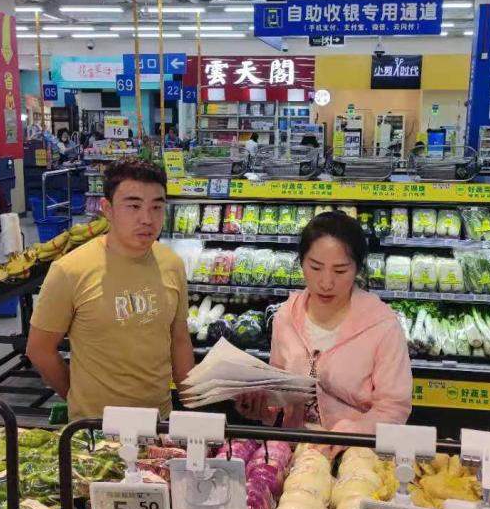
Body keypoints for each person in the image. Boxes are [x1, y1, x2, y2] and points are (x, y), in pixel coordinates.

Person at [26, 158, 194, 419]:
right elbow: (39, 349)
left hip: (159, 421)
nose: (147, 219)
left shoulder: (172, 264)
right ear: (108, 209)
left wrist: (193, 407)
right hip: (95, 428)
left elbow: (179, 339)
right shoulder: (70, 270)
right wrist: (77, 398)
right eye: (133, 206)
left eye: (156, 207)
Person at [234, 211, 412, 434]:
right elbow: (278, 390)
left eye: (340, 270)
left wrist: (347, 434)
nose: (326, 282)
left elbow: (393, 408)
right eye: (315, 267)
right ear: (301, 263)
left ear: (357, 268)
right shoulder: (286, 316)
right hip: (298, 447)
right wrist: (261, 408)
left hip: (356, 450)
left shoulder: (382, 324)